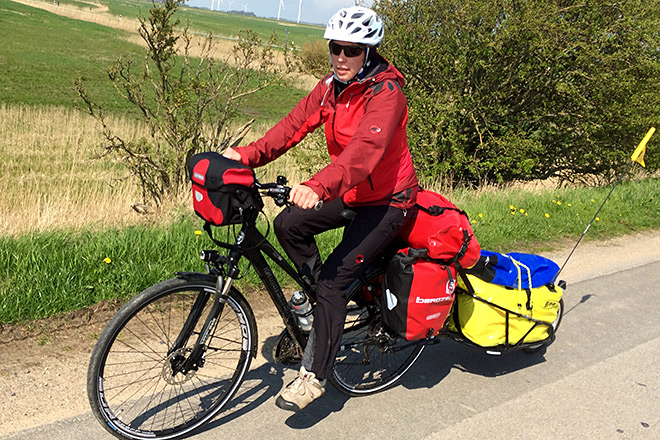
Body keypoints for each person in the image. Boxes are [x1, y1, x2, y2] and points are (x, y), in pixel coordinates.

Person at [223, 6, 418, 411]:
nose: (341, 58)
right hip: (350, 193)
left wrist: (317, 184)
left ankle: (314, 376)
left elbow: (365, 152)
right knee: (289, 224)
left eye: (351, 50)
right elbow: (291, 127)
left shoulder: (387, 94)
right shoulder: (330, 87)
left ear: (369, 51)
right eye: (335, 48)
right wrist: (244, 157)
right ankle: (324, 304)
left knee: (333, 280)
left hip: (387, 201)